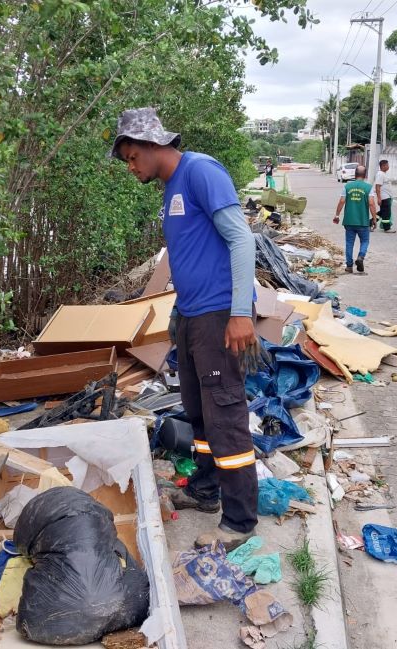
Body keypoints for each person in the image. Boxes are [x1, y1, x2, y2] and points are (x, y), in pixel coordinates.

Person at [111, 107, 259, 550]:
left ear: (155, 145)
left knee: (226, 414)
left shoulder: (200, 172)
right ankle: (205, 489)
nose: (131, 166)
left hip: (219, 316)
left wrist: (240, 313)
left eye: (134, 156)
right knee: (198, 412)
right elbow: (190, 252)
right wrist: (178, 314)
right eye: (127, 161)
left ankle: (239, 521)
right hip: (193, 317)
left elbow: (241, 239)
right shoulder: (170, 187)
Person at [333, 165, 377, 274]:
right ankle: (361, 256)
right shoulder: (368, 187)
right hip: (363, 222)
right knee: (365, 241)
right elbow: (371, 203)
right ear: (365, 175)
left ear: (355, 174)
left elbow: (342, 201)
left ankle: (349, 266)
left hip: (349, 221)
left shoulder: (347, 186)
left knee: (349, 243)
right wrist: (375, 219)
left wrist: (337, 215)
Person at [374, 159, 395, 232]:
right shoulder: (380, 174)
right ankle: (387, 228)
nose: (388, 166)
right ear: (383, 166)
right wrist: (379, 198)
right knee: (386, 213)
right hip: (384, 197)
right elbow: (377, 186)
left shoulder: (383, 174)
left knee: (383, 212)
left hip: (387, 196)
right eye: (387, 165)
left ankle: (369, 223)